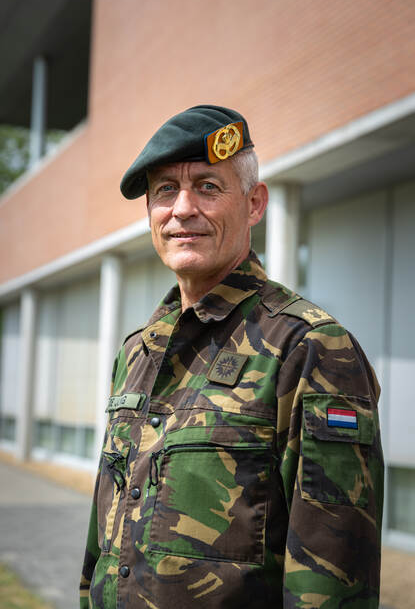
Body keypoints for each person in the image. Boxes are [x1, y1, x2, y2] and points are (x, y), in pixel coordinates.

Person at [80, 105, 384, 608]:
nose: (182, 209)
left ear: (254, 203)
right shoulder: (138, 350)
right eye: (165, 191)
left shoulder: (308, 347)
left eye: (207, 187)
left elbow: (331, 578)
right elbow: (103, 546)